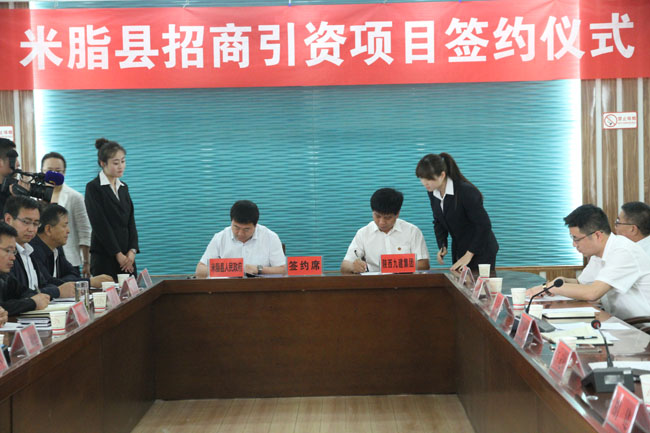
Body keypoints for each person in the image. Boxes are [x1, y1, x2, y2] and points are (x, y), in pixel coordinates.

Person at [526, 204, 650, 321]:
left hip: (641, 327)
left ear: (597, 236)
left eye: (576, 239)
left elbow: (592, 293)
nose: (574, 244)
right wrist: (562, 281)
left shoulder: (623, 251)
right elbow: (582, 283)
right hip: (618, 320)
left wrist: (549, 287)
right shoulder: (598, 253)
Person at [415, 153, 498, 272]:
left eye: (429, 179)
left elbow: (484, 225)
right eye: (421, 178)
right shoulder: (432, 192)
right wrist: (442, 244)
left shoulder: (465, 191)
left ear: (442, 175)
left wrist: (469, 254)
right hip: (460, 247)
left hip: (481, 249)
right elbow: (438, 220)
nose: (424, 183)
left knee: (476, 283)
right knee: (460, 281)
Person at [341, 188, 430, 274]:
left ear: (397, 214)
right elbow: (345, 266)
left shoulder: (412, 231)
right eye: (377, 216)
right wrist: (353, 266)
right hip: (374, 282)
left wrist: (390, 266)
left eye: (387, 218)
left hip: (405, 281)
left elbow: (424, 265)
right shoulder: (363, 233)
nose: (382, 222)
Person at [85, 138, 139, 280]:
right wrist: (118, 254)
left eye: (123, 161)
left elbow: (130, 221)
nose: (121, 166)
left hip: (127, 258)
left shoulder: (123, 187)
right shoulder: (93, 188)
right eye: (116, 163)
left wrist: (132, 251)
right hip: (105, 256)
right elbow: (99, 224)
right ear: (103, 163)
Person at [4, 196, 75, 299]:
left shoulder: (29, 250)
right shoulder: (5, 254)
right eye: (26, 222)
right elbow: (19, 295)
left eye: (36, 224)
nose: (31, 229)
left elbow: (43, 283)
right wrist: (57, 291)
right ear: (8, 219)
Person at [30, 204, 113, 288]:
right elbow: (47, 283)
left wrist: (61, 281)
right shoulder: (32, 251)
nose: (68, 230)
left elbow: (73, 273)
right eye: (64, 225)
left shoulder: (56, 247)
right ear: (48, 229)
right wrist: (89, 282)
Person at [195, 200, 286, 278]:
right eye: (236, 227)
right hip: (227, 289)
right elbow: (200, 270)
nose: (240, 233)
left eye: (246, 229)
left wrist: (258, 269)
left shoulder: (270, 237)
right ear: (231, 221)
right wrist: (230, 269)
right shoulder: (220, 237)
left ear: (255, 225)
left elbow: (283, 270)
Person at [41, 152, 92, 277]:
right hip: (40, 259)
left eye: (58, 171)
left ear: (64, 173)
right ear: (42, 171)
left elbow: (84, 231)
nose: (54, 174)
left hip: (69, 259)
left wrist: (86, 261)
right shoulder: (34, 196)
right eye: (49, 170)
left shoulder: (75, 197)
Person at [0, 222, 50, 315]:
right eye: (8, 251)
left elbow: (24, 292)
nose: (13, 257)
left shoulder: (5, 276)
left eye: (13, 252)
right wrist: (32, 303)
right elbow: (3, 307)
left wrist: (38, 298)